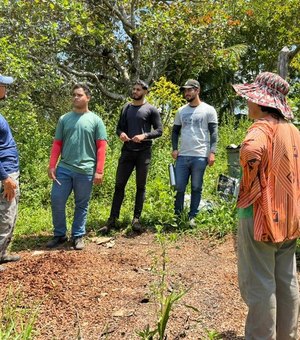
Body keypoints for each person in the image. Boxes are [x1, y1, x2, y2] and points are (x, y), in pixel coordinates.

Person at [233, 72, 300, 339]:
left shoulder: (262, 127)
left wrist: (250, 189)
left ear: (262, 102)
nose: (247, 102)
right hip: (290, 216)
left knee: (260, 282)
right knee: (286, 280)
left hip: (260, 214)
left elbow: (251, 152)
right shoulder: (294, 131)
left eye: (250, 98)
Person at [47, 83, 107, 250]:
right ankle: (59, 235)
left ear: (88, 97)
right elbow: (57, 144)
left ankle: (78, 235)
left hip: (86, 170)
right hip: (64, 168)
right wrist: (52, 165)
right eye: (74, 94)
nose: (75, 97)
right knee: (57, 200)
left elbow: (102, 147)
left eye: (79, 95)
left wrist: (99, 171)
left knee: (82, 203)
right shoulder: (64, 119)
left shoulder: (96, 120)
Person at [100, 80, 162, 234]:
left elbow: (159, 130)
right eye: (133, 89)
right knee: (119, 185)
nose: (135, 91)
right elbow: (119, 128)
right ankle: (113, 219)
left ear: (145, 91)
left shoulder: (151, 109)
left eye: (138, 89)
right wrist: (121, 133)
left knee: (140, 187)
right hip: (127, 151)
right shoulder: (126, 108)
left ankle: (136, 219)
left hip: (143, 153)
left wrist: (144, 135)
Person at [171, 79, 218, 224]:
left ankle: (192, 216)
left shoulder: (209, 110)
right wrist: (174, 148)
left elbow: (214, 133)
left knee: (196, 187)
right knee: (179, 186)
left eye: (189, 90)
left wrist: (212, 152)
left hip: (200, 155)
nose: (186, 93)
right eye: (185, 90)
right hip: (183, 155)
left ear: (197, 90)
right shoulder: (181, 111)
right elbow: (175, 132)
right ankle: (178, 216)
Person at [0, 73, 20, 271]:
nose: (6, 88)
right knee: (4, 216)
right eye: (4, 85)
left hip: (9, 172)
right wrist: (5, 177)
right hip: (4, 175)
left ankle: (2, 253)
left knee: (9, 215)